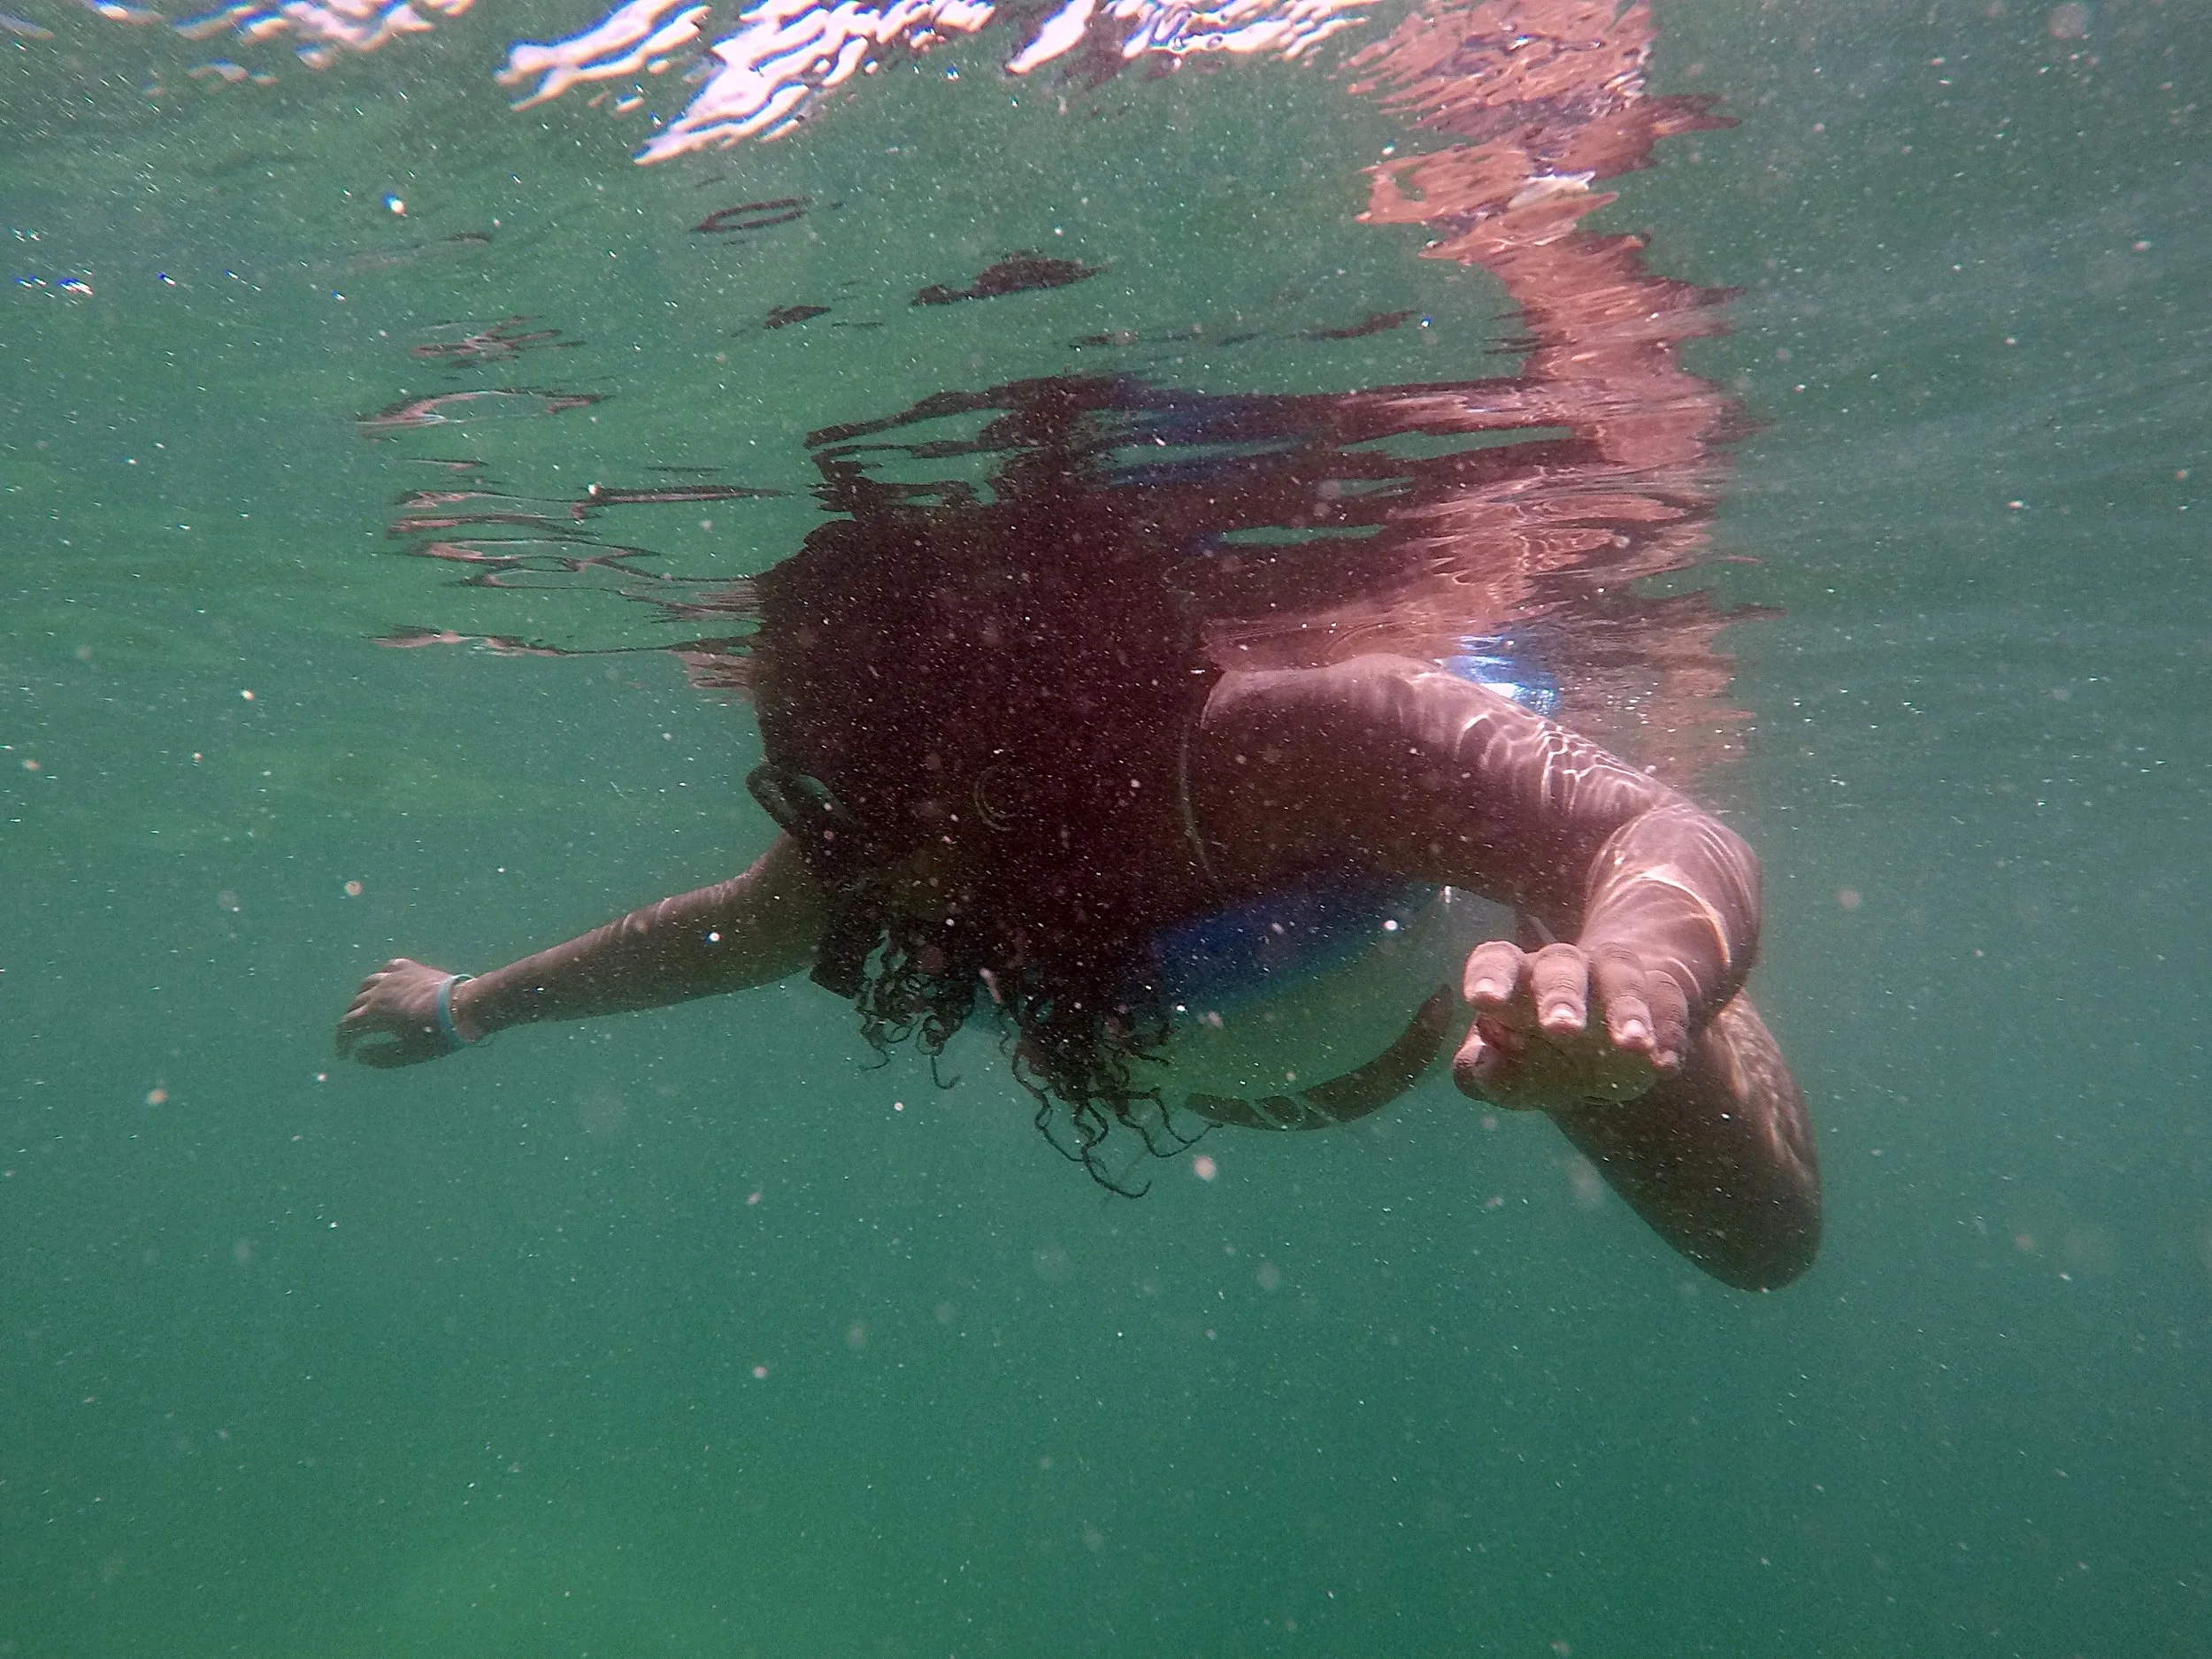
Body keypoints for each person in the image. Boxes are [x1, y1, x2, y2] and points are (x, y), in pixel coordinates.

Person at [338, 453, 1819, 1291]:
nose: (822, 827)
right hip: (1335, 1051)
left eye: (854, 763)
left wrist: (1649, 973)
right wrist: (468, 1003)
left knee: (1761, 1239)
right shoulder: (867, 847)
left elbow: (1670, 836)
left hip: (1494, 979)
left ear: (992, 720)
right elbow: (707, 935)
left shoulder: (1265, 754)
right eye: (801, 771)